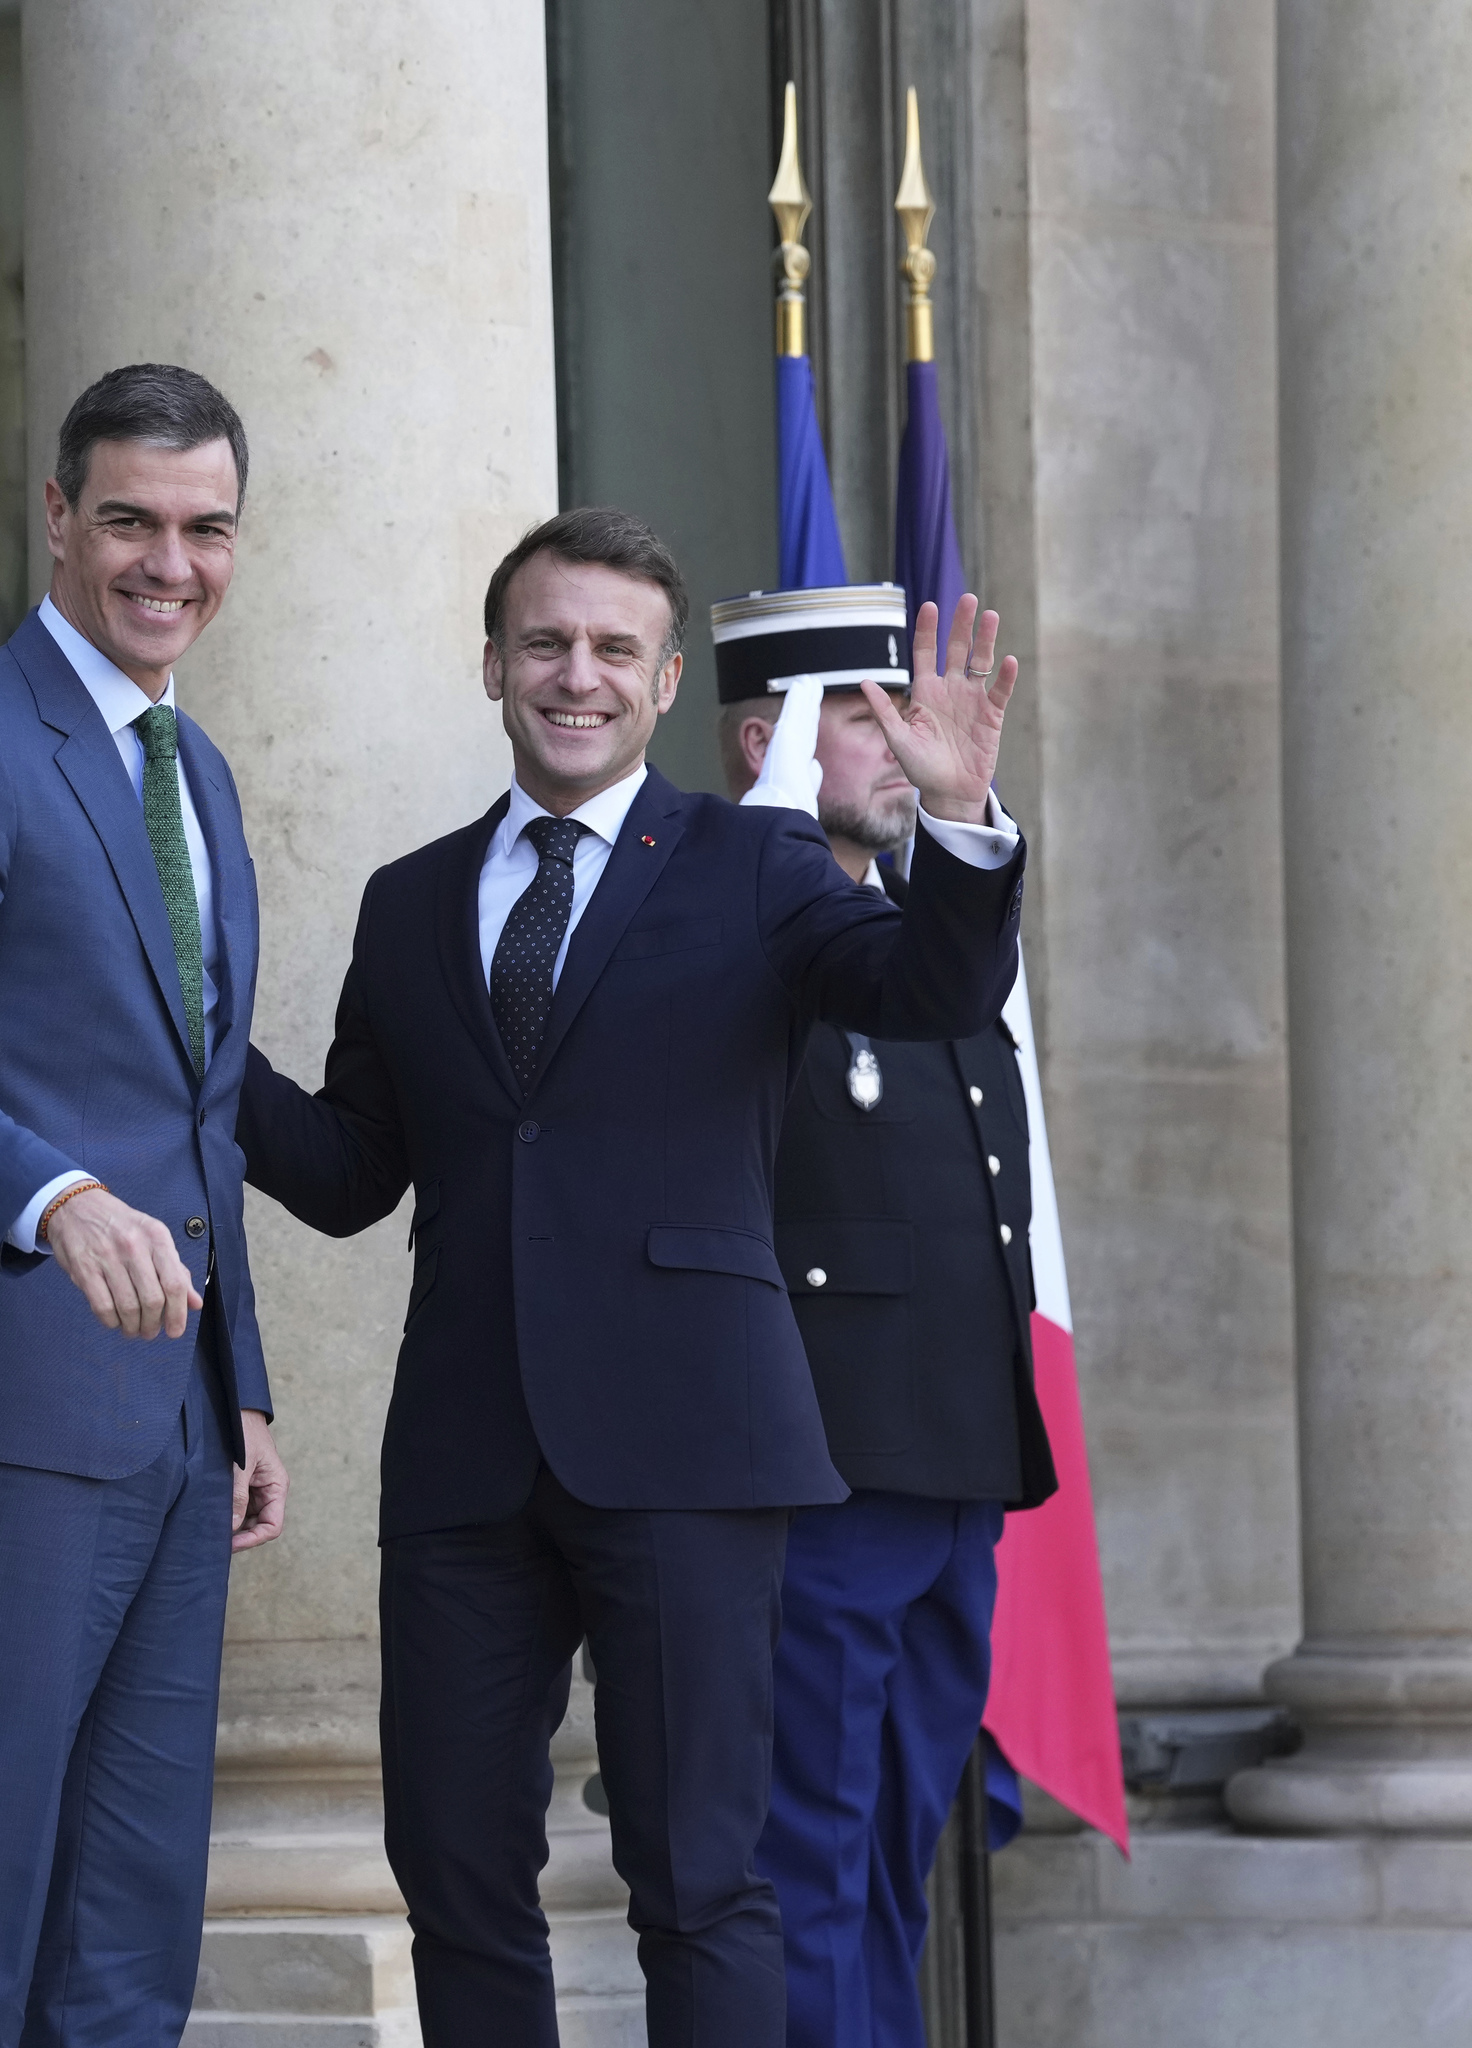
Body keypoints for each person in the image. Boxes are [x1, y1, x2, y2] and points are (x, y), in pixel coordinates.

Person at [237, 508, 1024, 2045]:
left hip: (691, 1447)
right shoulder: (408, 899)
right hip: (466, 1462)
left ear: (666, 684)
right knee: (455, 1875)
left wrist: (962, 825)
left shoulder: (759, 860)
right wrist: (197, 1061)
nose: (575, 675)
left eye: (613, 649)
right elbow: (348, 1172)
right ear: (492, 665)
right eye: (545, 642)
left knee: (702, 1882)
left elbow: (921, 989)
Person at [0, 362, 291, 2043]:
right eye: (131, 522)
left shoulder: (204, 772)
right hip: (11, 1401)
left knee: (133, 1922)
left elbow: (195, 1102)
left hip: (174, 1418)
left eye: (205, 528)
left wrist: (239, 1385)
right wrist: (55, 1193)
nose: (170, 563)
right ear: (57, 517)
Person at [713, 600, 1057, 2048]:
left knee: (896, 1860)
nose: (901, 741)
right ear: (764, 737)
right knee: (805, 1867)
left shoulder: (929, 922)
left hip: (954, 1468)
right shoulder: (722, 916)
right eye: (862, 715)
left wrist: (962, 814)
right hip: (823, 1474)